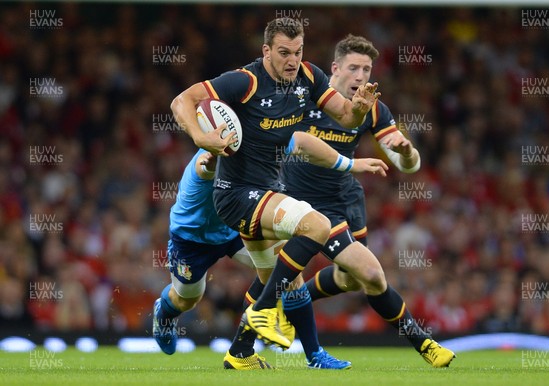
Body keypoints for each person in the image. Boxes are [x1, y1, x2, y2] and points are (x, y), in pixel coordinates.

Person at [171, 18, 386, 369]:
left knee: (290, 280)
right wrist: (200, 136)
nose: (291, 60)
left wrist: (360, 107)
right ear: (266, 51)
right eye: (284, 53)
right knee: (315, 227)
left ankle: (245, 355)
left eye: (298, 52)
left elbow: (346, 117)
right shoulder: (245, 81)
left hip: (267, 192)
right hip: (235, 194)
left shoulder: (309, 77)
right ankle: (263, 311)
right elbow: (182, 101)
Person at [278, 34, 455, 367]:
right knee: (369, 275)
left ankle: (290, 308)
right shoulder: (307, 97)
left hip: (339, 201)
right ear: (335, 68)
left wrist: (406, 152)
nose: (361, 77)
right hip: (292, 201)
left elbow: (407, 163)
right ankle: (425, 345)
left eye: (367, 69)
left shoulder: (372, 107)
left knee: (354, 278)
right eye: (354, 68)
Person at [152, 148, 281, 369]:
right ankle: (164, 314)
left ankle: (243, 348)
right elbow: (205, 166)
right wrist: (213, 159)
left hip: (232, 228)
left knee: (278, 266)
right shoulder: (208, 159)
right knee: (188, 299)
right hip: (192, 239)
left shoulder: (250, 154)